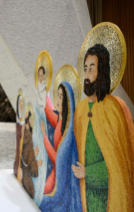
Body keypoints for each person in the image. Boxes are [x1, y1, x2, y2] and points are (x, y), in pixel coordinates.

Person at [72, 44, 134, 211]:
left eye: (91, 69)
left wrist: (88, 173)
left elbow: (118, 164)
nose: (87, 75)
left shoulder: (113, 109)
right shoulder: (80, 110)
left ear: (101, 72)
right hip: (86, 194)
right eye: (85, 69)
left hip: (107, 196)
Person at [39, 82, 82, 212]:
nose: (57, 100)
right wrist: (43, 93)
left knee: (44, 199)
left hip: (60, 176)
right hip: (55, 171)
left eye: (61, 97)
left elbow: (57, 160)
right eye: (57, 96)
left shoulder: (67, 132)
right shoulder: (60, 120)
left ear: (67, 102)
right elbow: (50, 114)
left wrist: (44, 137)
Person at [31, 66, 48, 206]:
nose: (40, 77)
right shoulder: (37, 90)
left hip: (43, 125)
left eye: (42, 75)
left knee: (42, 155)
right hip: (37, 125)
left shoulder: (45, 93)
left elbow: (45, 111)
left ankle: (40, 190)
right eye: (39, 75)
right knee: (36, 151)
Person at [20, 110, 42, 199]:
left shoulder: (29, 131)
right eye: (30, 117)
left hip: (27, 168)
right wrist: (35, 163)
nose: (31, 120)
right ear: (28, 119)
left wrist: (33, 154)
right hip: (26, 172)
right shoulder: (26, 134)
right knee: (30, 193)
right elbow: (24, 157)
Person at [14, 93, 24, 177]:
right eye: (19, 103)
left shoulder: (23, 119)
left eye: (22, 103)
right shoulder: (19, 120)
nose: (21, 105)